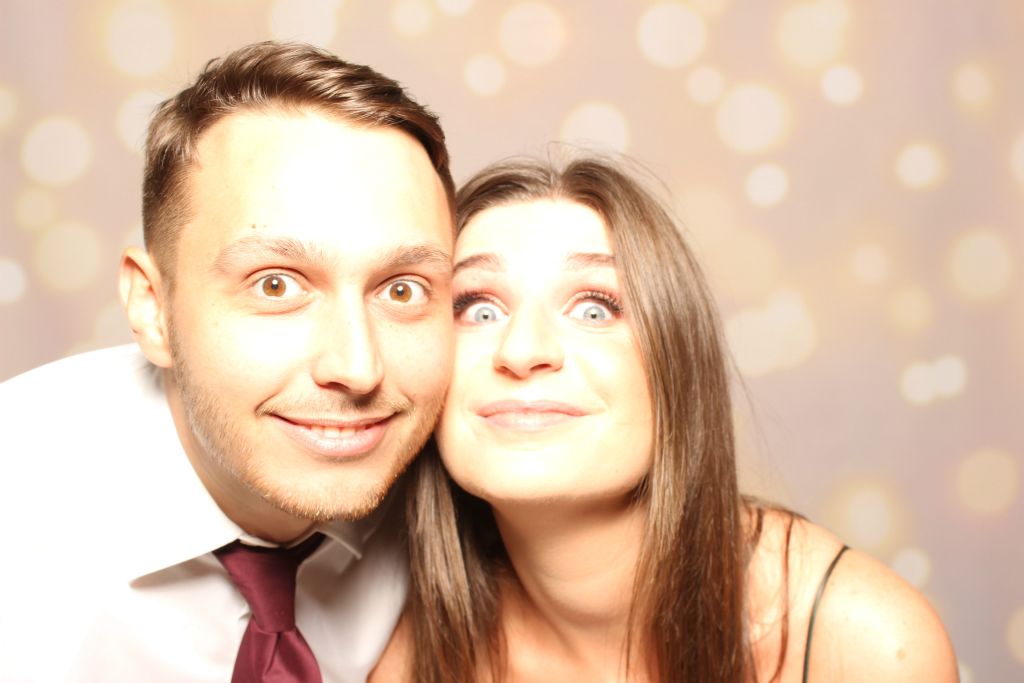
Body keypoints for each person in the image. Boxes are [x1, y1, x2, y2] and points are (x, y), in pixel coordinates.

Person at [374, 155, 959, 682]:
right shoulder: (406, 658)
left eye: (594, 308)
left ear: (677, 364)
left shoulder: (866, 646)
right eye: (477, 309)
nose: (522, 350)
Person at [0, 41, 455, 682]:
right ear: (153, 308)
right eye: (276, 284)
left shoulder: (473, 489)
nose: (358, 367)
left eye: (402, 290)